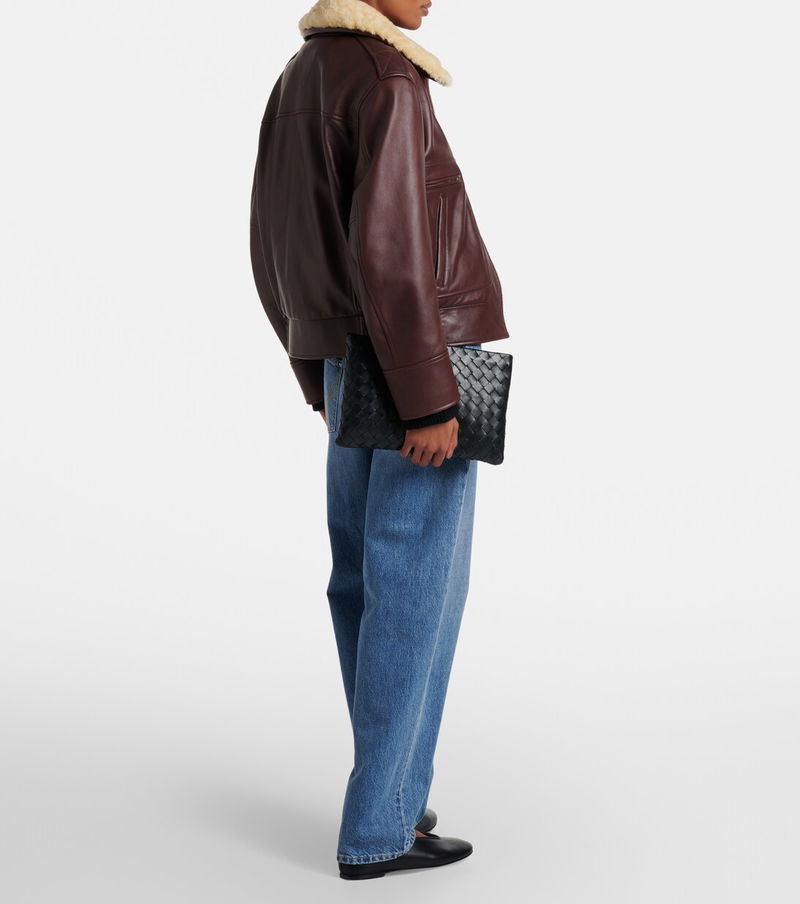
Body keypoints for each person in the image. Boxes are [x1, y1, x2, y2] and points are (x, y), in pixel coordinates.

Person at [249, 0, 510, 880]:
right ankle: (380, 825)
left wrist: (313, 368)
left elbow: (276, 241)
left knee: (364, 581)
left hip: (350, 366)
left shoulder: (305, 73)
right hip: (411, 368)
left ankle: (392, 789)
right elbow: (394, 252)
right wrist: (427, 399)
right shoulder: (389, 76)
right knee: (416, 591)